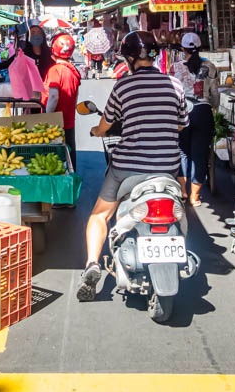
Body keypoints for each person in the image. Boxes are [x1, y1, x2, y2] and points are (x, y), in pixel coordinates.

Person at [79, 31, 187, 301]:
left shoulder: (123, 87)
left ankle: (92, 264)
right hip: (168, 167)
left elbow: (105, 125)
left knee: (99, 216)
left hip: (127, 166)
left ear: (128, 58)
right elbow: (181, 123)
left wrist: (96, 130)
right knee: (181, 207)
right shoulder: (175, 85)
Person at [169, 32, 219, 207]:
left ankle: (183, 192)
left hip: (182, 113)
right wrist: (213, 106)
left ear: (183, 49)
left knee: (182, 152)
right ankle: (195, 197)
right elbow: (215, 95)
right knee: (200, 154)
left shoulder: (175, 67)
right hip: (203, 112)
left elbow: (171, 94)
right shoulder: (210, 67)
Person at [43, 33, 82, 169]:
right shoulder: (73, 71)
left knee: (56, 162)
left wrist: (47, 118)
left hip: (56, 123)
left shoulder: (56, 70)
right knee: (70, 158)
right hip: (69, 121)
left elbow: (53, 97)